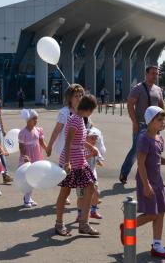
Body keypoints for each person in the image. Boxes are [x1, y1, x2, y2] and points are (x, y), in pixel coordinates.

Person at [120, 106, 165, 258]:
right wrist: (146, 184)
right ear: (149, 121)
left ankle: (157, 245)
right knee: (151, 214)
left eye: (163, 119)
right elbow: (141, 163)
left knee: (161, 212)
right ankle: (128, 225)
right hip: (146, 181)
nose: (163, 122)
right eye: (159, 120)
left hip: (158, 182)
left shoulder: (160, 139)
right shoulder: (144, 138)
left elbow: (157, 158)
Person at [55, 95, 99, 236]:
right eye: (92, 110)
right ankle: (59, 224)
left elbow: (78, 139)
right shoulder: (75, 120)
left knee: (90, 186)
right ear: (88, 109)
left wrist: (89, 146)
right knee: (65, 191)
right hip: (71, 161)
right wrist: (67, 163)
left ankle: (83, 224)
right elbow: (68, 142)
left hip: (79, 160)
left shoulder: (79, 119)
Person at [119, 66, 164, 184]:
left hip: (154, 126)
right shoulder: (138, 88)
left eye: (157, 74)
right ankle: (124, 172)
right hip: (142, 125)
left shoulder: (158, 89)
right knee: (136, 150)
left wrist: (162, 122)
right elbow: (130, 104)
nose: (155, 76)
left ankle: (152, 177)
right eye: (153, 73)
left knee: (154, 152)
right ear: (146, 74)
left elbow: (160, 106)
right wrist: (135, 122)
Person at [46, 84, 85, 205]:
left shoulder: (82, 111)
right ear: (69, 98)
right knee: (67, 175)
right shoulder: (64, 112)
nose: (78, 98)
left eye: (80, 95)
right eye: (75, 96)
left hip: (79, 149)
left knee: (81, 174)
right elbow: (57, 130)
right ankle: (63, 196)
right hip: (66, 149)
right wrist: (49, 145)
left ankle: (82, 198)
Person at [18, 109, 47, 208]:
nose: (36, 120)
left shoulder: (38, 130)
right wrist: (25, 156)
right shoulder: (23, 132)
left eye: (36, 119)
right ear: (28, 120)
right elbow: (21, 146)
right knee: (28, 177)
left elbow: (42, 142)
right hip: (28, 157)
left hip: (37, 155)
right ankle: (26, 198)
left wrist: (47, 149)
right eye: (34, 119)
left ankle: (29, 197)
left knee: (34, 177)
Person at [76, 128, 105, 221]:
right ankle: (80, 214)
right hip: (81, 176)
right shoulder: (81, 149)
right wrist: (91, 155)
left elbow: (98, 158)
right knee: (81, 197)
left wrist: (99, 162)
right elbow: (79, 159)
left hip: (92, 175)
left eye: (95, 138)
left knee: (96, 193)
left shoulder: (95, 149)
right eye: (92, 138)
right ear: (85, 139)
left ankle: (93, 211)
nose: (94, 140)